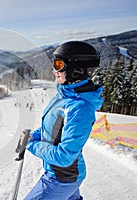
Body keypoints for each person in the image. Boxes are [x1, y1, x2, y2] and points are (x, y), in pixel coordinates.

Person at [24, 41, 103, 200]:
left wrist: (31, 145)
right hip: (61, 174)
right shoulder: (64, 96)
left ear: (77, 70)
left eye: (59, 64)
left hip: (62, 178)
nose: (54, 70)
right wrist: (33, 136)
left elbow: (64, 156)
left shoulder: (79, 108)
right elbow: (51, 128)